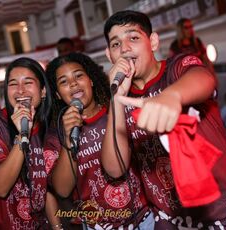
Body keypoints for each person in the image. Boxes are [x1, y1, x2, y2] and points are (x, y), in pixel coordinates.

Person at [101, 10, 226, 229]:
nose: (125, 48)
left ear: (153, 42)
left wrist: (171, 96)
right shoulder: (120, 100)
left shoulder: (177, 68)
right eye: (116, 44)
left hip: (224, 207)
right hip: (170, 219)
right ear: (109, 56)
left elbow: (203, 78)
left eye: (134, 38)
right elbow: (114, 169)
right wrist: (116, 99)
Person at [46, 52, 154, 229]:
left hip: (143, 220)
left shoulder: (118, 112)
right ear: (58, 94)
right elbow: (62, 190)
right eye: (63, 82)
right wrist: (67, 139)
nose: (73, 83)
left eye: (79, 75)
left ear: (91, 80)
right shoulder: (55, 135)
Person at [0, 57, 62, 229]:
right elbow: (0, 187)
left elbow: (45, 191)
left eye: (28, 82)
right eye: (13, 84)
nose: (20, 91)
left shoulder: (51, 134)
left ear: (43, 91)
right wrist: (21, 135)